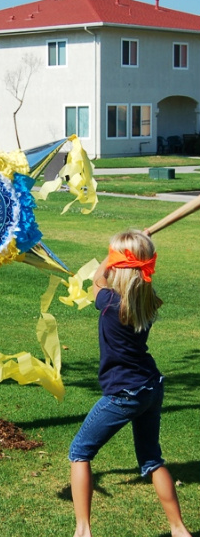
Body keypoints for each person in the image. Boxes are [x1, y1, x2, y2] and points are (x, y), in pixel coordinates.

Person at [69, 229, 192, 537]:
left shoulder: (110, 302)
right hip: (151, 386)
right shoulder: (147, 300)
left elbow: (96, 280)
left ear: (118, 265)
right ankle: (179, 530)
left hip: (124, 392)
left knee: (79, 453)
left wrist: (108, 258)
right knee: (152, 459)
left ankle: (82, 531)